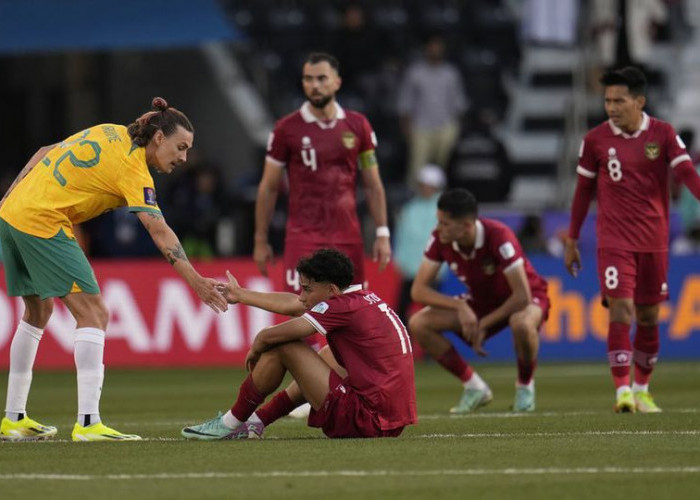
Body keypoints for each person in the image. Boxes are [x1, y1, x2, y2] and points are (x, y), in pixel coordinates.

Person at [0, 97, 228, 442]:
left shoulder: (110, 131)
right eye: (180, 147)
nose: (183, 158)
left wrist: (10, 196)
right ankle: (89, 423)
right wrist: (196, 282)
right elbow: (159, 230)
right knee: (94, 312)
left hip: (13, 213)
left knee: (37, 310)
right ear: (158, 139)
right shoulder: (134, 169)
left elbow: (46, 150)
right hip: (43, 220)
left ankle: (13, 418)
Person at [254, 52, 392, 421]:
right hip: (303, 235)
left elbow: (373, 184)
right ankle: (302, 387)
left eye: (320, 78)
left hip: (347, 239)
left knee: (352, 317)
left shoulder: (359, 127)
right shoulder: (286, 129)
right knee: (299, 309)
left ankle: (336, 384)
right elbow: (268, 188)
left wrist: (381, 231)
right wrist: (259, 238)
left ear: (336, 82)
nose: (313, 85)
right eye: (307, 79)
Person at [564, 67, 700, 413]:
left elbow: (686, 173)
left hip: (654, 241)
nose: (611, 107)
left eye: (619, 100)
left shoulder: (663, 134)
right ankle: (622, 390)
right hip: (614, 240)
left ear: (640, 101)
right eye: (607, 100)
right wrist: (573, 238)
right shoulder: (595, 140)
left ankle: (642, 389)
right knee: (621, 309)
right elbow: (583, 192)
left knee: (650, 316)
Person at [181, 248, 417, 440]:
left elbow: (272, 335)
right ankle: (257, 421)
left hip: (365, 419)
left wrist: (256, 349)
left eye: (307, 289)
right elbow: (296, 304)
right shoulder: (361, 299)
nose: (303, 296)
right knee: (328, 355)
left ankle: (231, 423)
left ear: (332, 290)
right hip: (390, 420)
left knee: (286, 346)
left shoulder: (339, 306)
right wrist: (241, 295)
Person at [409, 188, 549, 413]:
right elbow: (418, 291)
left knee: (521, 324)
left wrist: (483, 324)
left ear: (466, 226)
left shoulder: (498, 235)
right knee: (419, 324)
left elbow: (521, 296)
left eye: (444, 223)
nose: (438, 228)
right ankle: (474, 387)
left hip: (526, 296)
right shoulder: (440, 239)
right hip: (481, 300)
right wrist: (460, 305)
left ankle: (525, 387)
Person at [397, 35, 467, 184]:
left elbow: (458, 104)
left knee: (443, 169)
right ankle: (414, 202)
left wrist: (456, 128)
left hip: (446, 126)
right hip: (420, 127)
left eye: (438, 47)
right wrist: (406, 127)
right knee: (416, 170)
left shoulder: (451, 73)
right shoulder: (415, 72)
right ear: (426, 49)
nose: (435, 50)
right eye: (432, 47)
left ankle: (442, 200)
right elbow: (405, 103)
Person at [394, 164, 446, 324]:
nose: (425, 189)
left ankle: (432, 348)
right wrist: (400, 263)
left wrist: (440, 269)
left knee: (433, 317)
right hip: (410, 272)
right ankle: (403, 346)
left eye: (428, 185)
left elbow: (446, 243)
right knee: (401, 313)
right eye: (422, 185)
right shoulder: (410, 208)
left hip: (432, 273)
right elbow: (402, 237)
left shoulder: (445, 211)